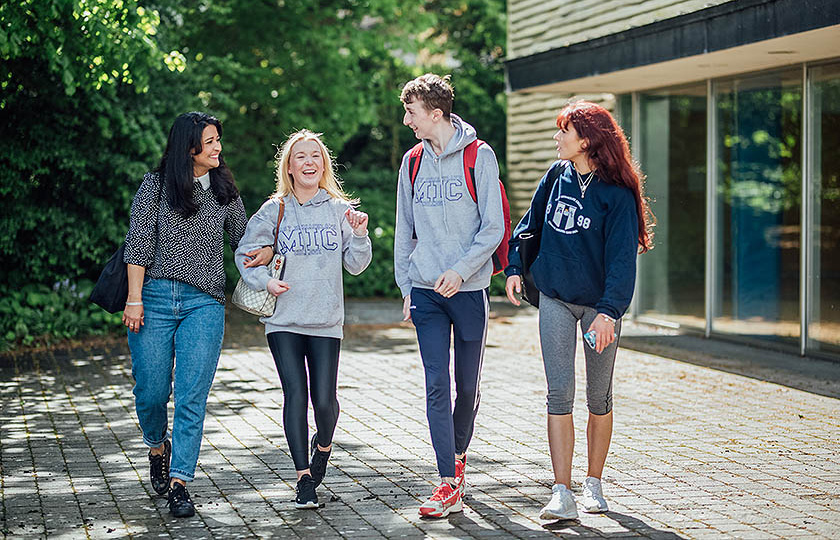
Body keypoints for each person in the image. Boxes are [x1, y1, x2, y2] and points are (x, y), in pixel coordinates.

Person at [504, 101, 654, 520]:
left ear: (585, 140)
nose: (557, 138)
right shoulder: (556, 176)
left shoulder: (617, 195)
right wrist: (515, 267)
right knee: (558, 393)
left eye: (563, 131)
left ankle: (594, 482)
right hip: (555, 297)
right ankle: (561, 491)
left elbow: (623, 260)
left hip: (599, 309)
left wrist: (609, 312)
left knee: (598, 396)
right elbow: (528, 225)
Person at [122, 111, 271, 517]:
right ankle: (157, 447)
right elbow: (136, 246)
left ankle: (179, 481)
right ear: (188, 148)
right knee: (150, 391)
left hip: (204, 303)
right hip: (152, 299)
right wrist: (133, 299)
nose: (218, 148)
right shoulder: (155, 186)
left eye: (218, 140)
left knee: (191, 396)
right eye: (210, 142)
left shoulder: (224, 191)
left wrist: (268, 250)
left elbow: (244, 241)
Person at [234, 129, 372, 509]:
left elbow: (357, 265)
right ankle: (303, 479)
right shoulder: (274, 209)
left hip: (326, 319)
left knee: (324, 401)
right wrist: (266, 280)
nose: (309, 162)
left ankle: (323, 448)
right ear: (290, 167)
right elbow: (245, 254)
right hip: (284, 320)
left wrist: (359, 236)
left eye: (316, 156)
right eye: (300, 157)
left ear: (323, 165)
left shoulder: (339, 209)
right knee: (295, 394)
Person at [394, 73, 505, 518]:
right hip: (426, 291)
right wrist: (407, 286)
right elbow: (405, 227)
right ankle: (445, 479)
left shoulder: (480, 156)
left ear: (435, 113)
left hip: (469, 289)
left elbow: (494, 227)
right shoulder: (412, 162)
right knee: (436, 383)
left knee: (467, 387)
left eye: (412, 112)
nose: (407, 121)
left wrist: (461, 272)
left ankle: (458, 460)